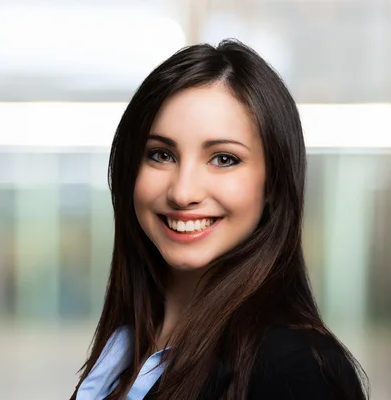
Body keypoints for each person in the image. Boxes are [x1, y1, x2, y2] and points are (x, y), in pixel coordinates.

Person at [70, 39, 369, 399]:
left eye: (224, 159)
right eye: (161, 154)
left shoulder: (295, 367)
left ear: (273, 182)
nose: (183, 192)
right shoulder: (127, 346)